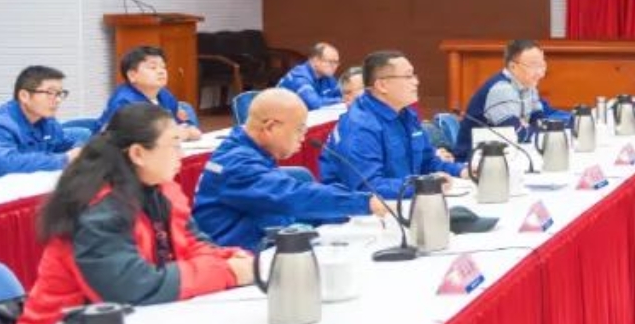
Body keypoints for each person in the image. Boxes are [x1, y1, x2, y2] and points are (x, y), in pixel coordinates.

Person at [16, 104, 254, 324]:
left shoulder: (160, 190)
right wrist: (225, 272)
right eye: (173, 145)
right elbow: (132, 290)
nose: (181, 154)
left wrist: (229, 259)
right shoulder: (98, 211)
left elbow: (191, 241)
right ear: (138, 154)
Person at [192, 90, 387, 252]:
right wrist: (361, 202)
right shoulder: (236, 163)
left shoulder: (252, 152)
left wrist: (342, 215)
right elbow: (292, 196)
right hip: (238, 262)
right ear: (270, 127)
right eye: (299, 129)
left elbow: (280, 210)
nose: (303, 137)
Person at [320, 51, 464, 200]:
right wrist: (422, 185)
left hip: (401, 201)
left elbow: (428, 162)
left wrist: (463, 170)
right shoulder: (359, 126)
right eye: (408, 76)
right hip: (357, 211)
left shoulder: (406, 114)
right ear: (382, 85)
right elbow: (367, 187)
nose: (416, 82)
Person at [0, 66, 80, 186]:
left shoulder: (47, 121)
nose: (57, 100)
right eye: (50, 93)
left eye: (60, 94)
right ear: (24, 96)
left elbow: (65, 145)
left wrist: (83, 151)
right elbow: (6, 166)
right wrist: (64, 159)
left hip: (7, 191)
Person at [454, 39, 572, 158]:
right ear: (513, 66)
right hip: (474, 159)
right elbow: (517, 134)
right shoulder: (502, 90)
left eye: (542, 65)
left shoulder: (527, 85)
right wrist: (528, 127)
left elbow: (540, 119)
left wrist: (530, 126)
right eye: (533, 66)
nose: (540, 72)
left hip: (506, 153)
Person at [98, 46, 201, 141]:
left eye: (163, 67)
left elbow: (180, 125)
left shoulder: (164, 94)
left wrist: (187, 129)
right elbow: (133, 139)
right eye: (153, 68)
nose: (161, 72)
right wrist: (178, 134)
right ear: (132, 75)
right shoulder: (124, 103)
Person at [278, 42, 345, 110]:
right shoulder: (300, 77)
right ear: (315, 60)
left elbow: (343, 94)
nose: (334, 66)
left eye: (336, 62)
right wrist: (341, 100)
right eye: (330, 62)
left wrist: (344, 98)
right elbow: (315, 104)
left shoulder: (327, 76)